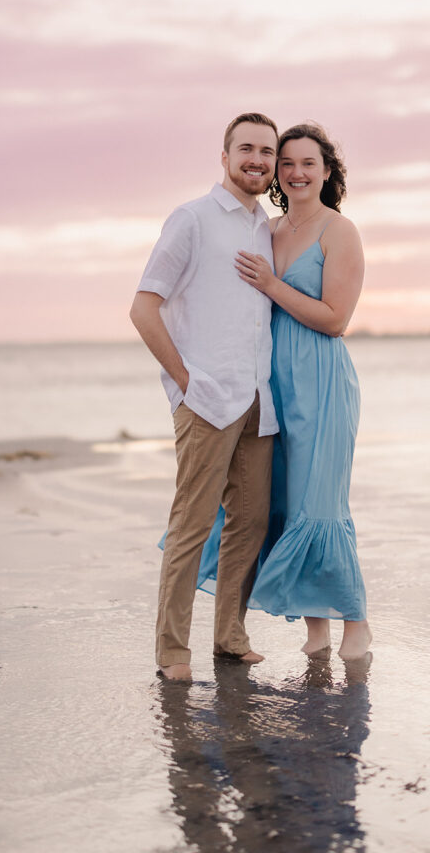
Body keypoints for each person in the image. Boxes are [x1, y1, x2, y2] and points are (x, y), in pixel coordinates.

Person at [130, 112, 279, 681]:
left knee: (250, 522)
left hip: (260, 398)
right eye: (247, 148)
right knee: (192, 523)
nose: (258, 160)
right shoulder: (191, 219)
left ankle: (230, 637)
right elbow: (144, 308)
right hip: (208, 399)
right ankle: (172, 651)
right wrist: (185, 383)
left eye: (267, 151)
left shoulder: (265, 228)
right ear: (224, 156)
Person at [235, 122, 372, 660]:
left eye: (307, 163)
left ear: (327, 170)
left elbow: (336, 319)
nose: (295, 173)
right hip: (274, 382)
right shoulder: (267, 230)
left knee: (322, 504)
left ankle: (356, 622)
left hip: (322, 380)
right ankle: (317, 629)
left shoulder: (340, 230)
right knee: (290, 504)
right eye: (286, 163)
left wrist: (272, 285)